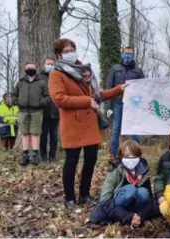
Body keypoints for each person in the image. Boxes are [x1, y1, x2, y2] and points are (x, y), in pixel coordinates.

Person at [49, 38, 127, 209]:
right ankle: (69, 198)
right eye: (66, 51)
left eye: (72, 49)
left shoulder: (85, 72)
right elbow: (59, 99)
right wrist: (86, 101)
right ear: (58, 54)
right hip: (72, 125)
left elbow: (97, 95)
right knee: (71, 161)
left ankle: (84, 194)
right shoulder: (56, 74)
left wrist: (118, 89)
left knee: (91, 160)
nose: (71, 53)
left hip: (90, 124)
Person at [90, 140, 153, 226]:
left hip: (136, 207)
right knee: (131, 189)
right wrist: (127, 216)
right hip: (117, 206)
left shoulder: (143, 171)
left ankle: (134, 217)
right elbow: (105, 199)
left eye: (134, 155)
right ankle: (124, 216)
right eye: (127, 155)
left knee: (143, 192)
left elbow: (150, 199)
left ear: (139, 157)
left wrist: (140, 216)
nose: (131, 158)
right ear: (121, 156)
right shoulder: (115, 170)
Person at [106, 46, 145, 161]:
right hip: (118, 103)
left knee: (134, 129)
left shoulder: (138, 71)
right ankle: (113, 154)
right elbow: (109, 86)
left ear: (133, 56)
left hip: (133, 105)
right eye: (126, 53)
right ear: (122, 54)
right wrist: (109, 106)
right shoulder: (115, 68)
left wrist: (140, 104)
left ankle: (136, 153)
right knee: (116, 129)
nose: (127, 56)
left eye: (130, 54)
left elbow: (144, 88)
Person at [12, 62, 49, 166]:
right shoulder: (20, 82)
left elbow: (47, 96)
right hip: (23, 111)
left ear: (35, 68)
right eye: (28, 68)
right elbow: (14, 95)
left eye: (32, 67)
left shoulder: (42, 82)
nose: (30, 69)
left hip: (37, 111)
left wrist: (40, 103)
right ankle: (25, 156)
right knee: (25, 134)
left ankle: (35, 156)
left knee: (35, 133)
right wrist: (17, 102)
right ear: (25, 69)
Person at [39, 57, 59, 162]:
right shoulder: (39, 77)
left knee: (54, 136)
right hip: (43, 112)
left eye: (51, 64)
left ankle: (52, 156)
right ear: (44, 64)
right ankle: (42, 156)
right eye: (48, 64)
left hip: (56, 111)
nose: (50, 65)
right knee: (43, 136)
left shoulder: (57, 75)